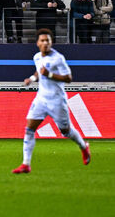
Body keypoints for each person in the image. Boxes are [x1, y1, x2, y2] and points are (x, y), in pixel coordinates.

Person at [13, 29, 91, 173]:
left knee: (66, 131)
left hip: (57, 100)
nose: (45, 43)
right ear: (37, 43)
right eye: (42, 40)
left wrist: (49, 74)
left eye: (47, 41)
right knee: (29, 129)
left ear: (51, 43)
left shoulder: (58, 58)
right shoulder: (37, 57)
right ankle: (26, 164)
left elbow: (68, 78)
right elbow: (39, 71)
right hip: (41, 99)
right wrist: (32, 79)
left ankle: (83, 146)